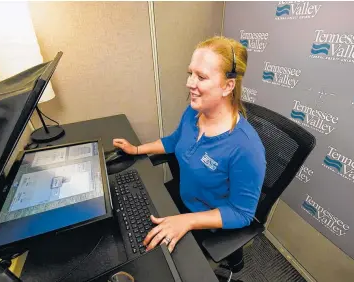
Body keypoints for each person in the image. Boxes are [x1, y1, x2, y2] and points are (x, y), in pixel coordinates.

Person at [112, 36, 266, 254]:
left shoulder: (247, 148)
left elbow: (242, 213)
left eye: (201, 77)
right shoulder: (194, 112)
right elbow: (175, 141)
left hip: (209, 226)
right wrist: (136, 149)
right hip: (183, 201)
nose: (189, 83)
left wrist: (187, 221)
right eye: (190, 73)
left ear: (228, 85)